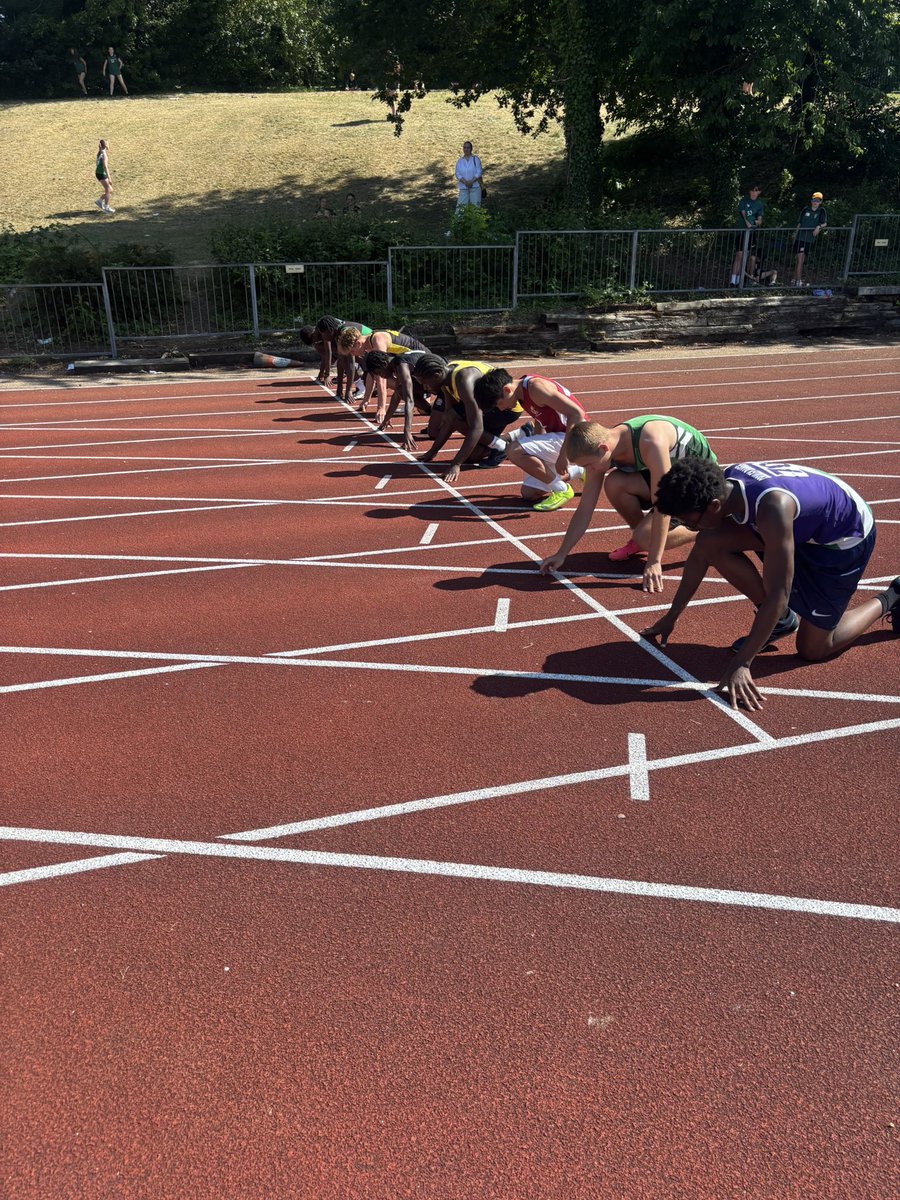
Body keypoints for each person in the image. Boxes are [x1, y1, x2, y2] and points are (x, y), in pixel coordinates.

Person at [641, 458, 900, 711]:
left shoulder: (772, 509)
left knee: (814, 648)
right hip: (803, 524)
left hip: (842, 538)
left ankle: (892, 595)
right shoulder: (725, 485)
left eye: (689, 521)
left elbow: (779, 594)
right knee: (709, 542)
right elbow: (699, 555)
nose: (689, 527)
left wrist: (743, 663)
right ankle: (781, 623)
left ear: (715, 506)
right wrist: (671, 617)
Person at [538, 415, 716, 593]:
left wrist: (654, 560)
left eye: (589, 465)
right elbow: (585, 508)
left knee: (645, 537)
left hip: (700, 481)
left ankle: (705, 528)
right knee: (615, 484)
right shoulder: (602, 447)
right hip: (673, 475)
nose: (589, 471)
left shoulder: (650, 442)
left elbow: (662, 504)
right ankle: (644, 538)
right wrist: (562, 553)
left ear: (603, 449)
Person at [473, 368, 588, 511]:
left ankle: (561, 490)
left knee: (513, 449)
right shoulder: (521, 393)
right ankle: (578, 470)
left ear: (507, 390)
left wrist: (564, 455)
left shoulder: (536, 388)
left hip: (578, 438)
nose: (501, 409)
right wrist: (536, 442)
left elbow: (577, 414)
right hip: (562, 437)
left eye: (498, 404)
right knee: (529, 493)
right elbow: (540, 418)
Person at [410, 355, 530, 484]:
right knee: (474, 456)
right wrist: (432, 452)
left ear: (436, 375)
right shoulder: (445, 378)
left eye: (424, 382)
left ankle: (501, 446)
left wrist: (456, 464)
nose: (424, 387)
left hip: (506, 408)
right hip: (489, 406)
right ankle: (519, 434)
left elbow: (476, 427)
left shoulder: (464, 381)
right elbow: (449, 420)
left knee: (456, 419)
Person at [335, 326, 429, 418]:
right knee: (379, 373)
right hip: (411, 364)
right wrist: (366, 399)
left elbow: (381, 379)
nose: (352, 355)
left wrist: (381, 408)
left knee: (423, 410)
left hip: (423, 364)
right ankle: (413, 398)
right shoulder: (368, 343)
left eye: (352, 351)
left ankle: (416, 398)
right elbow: (371, 373)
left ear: (358, 343)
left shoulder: (377, 340)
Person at [364, 350, 438, 451]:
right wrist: (385, 420)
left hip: (442, 381)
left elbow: (409, 401)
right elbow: (396, 397)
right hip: (433, 379)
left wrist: (407, 432)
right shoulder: (396, 363)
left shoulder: (401, 366)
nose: (381, 376)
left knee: (434, 433)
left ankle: (445, 415)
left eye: (380, 373)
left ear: (384, 364)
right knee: (400, 390)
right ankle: (436, 414)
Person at [298, 316, 370, 400]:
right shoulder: (337, 335)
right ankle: (364, 383)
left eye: (322, 334)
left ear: (330, 330)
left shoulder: (345, 333)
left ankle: (363, 386)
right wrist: (340, 386)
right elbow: (341, 362)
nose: (323, 338)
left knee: (349, 357)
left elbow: (350, 363)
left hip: (374, 353)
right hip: (366, 353)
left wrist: (348, 390)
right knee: (343, 358)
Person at [791, 192, 828, 286]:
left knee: (801, 259)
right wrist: (795, 234)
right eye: (814, 200)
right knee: (799, 259)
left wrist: (818, 227)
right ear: (811, 200)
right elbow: (799, 223)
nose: (816, 202)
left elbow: (824, 223)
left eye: (818, 200)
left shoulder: (821, 210)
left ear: (821, 202)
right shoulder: (805, 209)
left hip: (809, 239)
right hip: (800, 237)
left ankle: (796, 280)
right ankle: (797, 280)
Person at [730, 184, 763, 285]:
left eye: (756, 191)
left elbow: (760, 220)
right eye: (752, 190)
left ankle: (740, 281)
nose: (753, 192)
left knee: (745, 256)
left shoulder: (759, 204)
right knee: (739, 255)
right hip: (742, 231)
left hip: (751, 233)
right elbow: (743, 213)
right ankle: (733, 281)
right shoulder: (744, 200)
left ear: (759, 192)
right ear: (749, 192)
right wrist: (747, 222)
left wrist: (755, 223)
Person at [455, 142, 483, 208]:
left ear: (471, 149)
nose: (466, 149)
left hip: (475, 187)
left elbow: (479, 172)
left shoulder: (475, 159)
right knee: (460, 208)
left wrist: (471, 181)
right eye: (464, 147)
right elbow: (457, 173)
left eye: (468, 148)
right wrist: (465, 182)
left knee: (475, 207)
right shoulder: (460, 161)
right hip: (463, 188)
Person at [94, 139, 114, 214]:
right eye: (108, 144)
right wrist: (109, 178)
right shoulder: (104, 155)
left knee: (110, 190)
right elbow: (105, 167)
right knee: (108, 190)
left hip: (99, 173)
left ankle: (99, 201)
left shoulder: (100, 152)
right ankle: (106, 207)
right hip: (101, 173)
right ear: (105, 145)